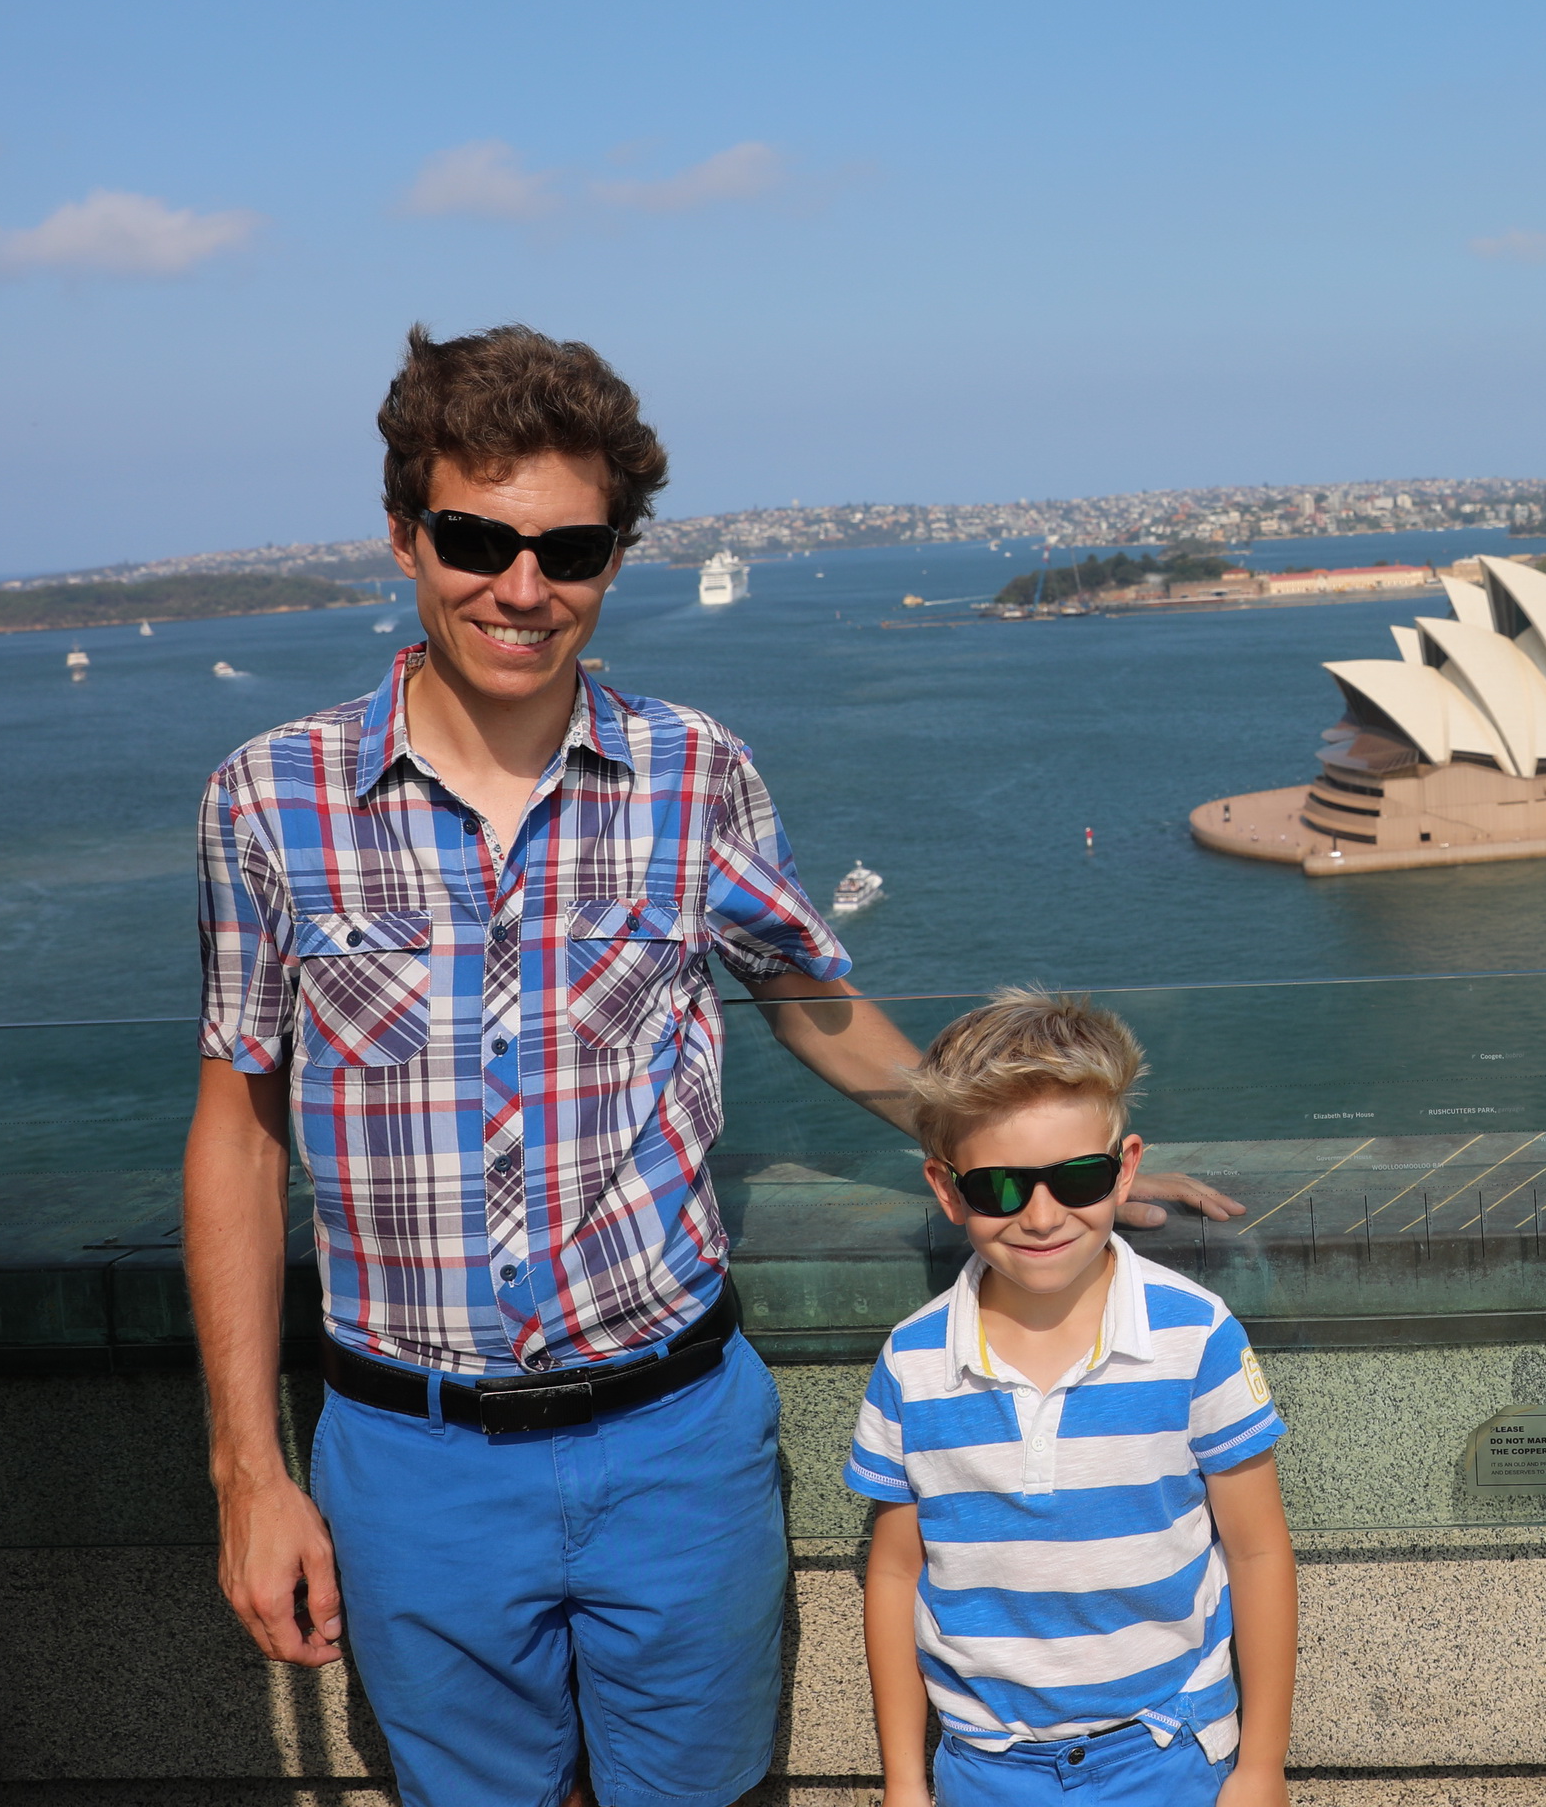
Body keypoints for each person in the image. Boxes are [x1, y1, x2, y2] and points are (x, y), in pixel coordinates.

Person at [184, 324, 1234, 1807]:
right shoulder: (270, 798)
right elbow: (237, 1131)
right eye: (478, 538)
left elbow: (810, 1001)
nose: (524, 587)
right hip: (408, 1462)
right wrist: (248, 1473)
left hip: (674, 1445)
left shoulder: (695, 774)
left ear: (619, 555)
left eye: (573, 548)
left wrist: (1038, 1165)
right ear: (406, 537)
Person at [850, 992, 1295, 1807]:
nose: (1043, 1215)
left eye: (1078, 1178)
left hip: (1173, 1752)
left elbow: (1260, 1552)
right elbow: (895, 1572)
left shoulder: (1196, 1337)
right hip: (983, 1765)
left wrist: (1261, 1765)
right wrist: (904, 1782)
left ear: (1125, 1169)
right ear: (947, 1190)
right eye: (999, 1188)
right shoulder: (912, 1362)